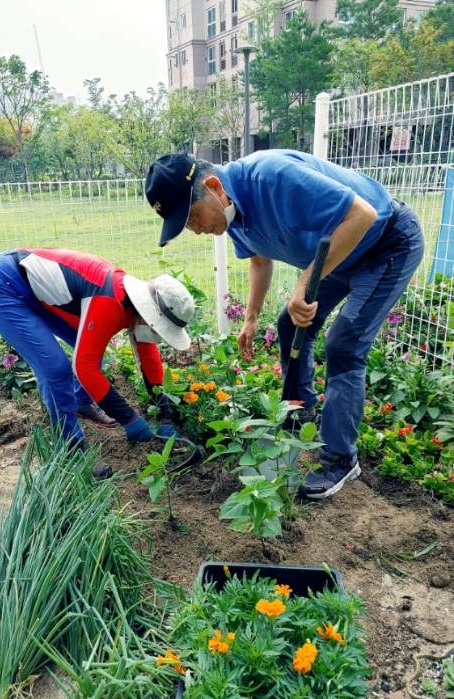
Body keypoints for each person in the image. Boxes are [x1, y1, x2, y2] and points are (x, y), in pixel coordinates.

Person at [144, 150, 424, 499]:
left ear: (214, 187)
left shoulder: (272, 178)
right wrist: (250, 319)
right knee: (290, 325)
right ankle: (299, 411)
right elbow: (260, 260)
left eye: (193, 218)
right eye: (187, 227)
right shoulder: (233, 216)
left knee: (345, 344)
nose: (197, 231)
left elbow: (361, 214)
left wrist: (305, 283)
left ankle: (340, 459)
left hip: (386, 242)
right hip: (343, 255)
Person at [0, 248, 194, 478]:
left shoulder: (134, 305)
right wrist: (128, 418)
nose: (156, 334)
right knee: (56, 370)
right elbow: (84, 368)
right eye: (157, 329)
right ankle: (70, 448)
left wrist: (164, 414)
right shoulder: (110, 302)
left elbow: (149, 358)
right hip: (2, 286)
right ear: (149, 315)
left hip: (35, 292)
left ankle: (81, 402)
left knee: (92, 347)